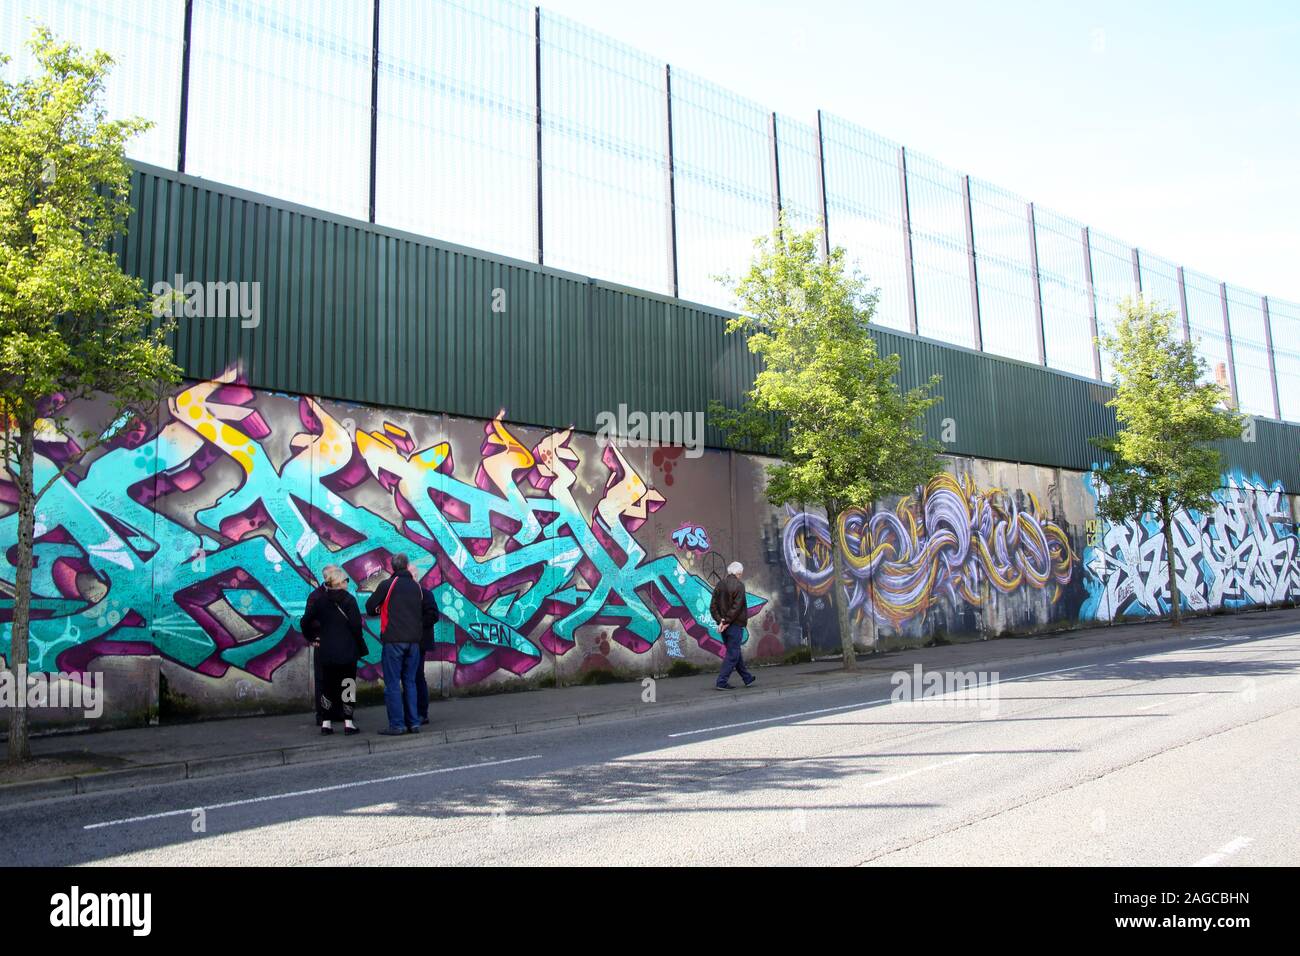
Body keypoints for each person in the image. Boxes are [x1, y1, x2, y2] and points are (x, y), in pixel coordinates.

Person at [365, 553, 438, 735]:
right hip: (414, 642)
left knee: (392, 683)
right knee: (410, 682)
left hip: (394, 641)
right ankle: (414, 722)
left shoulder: (387, 585)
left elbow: (370, 607)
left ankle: (397, 724)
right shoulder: (417, 588)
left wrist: (381, 609)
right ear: (406, 566)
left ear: (393, 567)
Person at [299, 565, 365, 735]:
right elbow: (357, 626)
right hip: (347, 650)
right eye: (345, 580)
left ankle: (326, 723)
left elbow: (305, 621)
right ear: (339, 583)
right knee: (348, 684)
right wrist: (358, 643)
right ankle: (348, 723)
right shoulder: (350, 600)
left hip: (326, 649)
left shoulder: (320, 601)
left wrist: (312, 638)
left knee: (326, 686)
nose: (347, 583)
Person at [710, 560, 755, 690]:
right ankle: (721, 681)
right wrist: (725, 622)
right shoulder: (739, 586)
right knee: (733, 654)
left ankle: (747, 678)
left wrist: (720, 621)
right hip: (734, 625)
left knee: (734, 652)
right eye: (741, 574)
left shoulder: (719, 585)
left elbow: (713, 606)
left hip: (725, 626)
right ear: (739, 573)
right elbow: (736, 608)